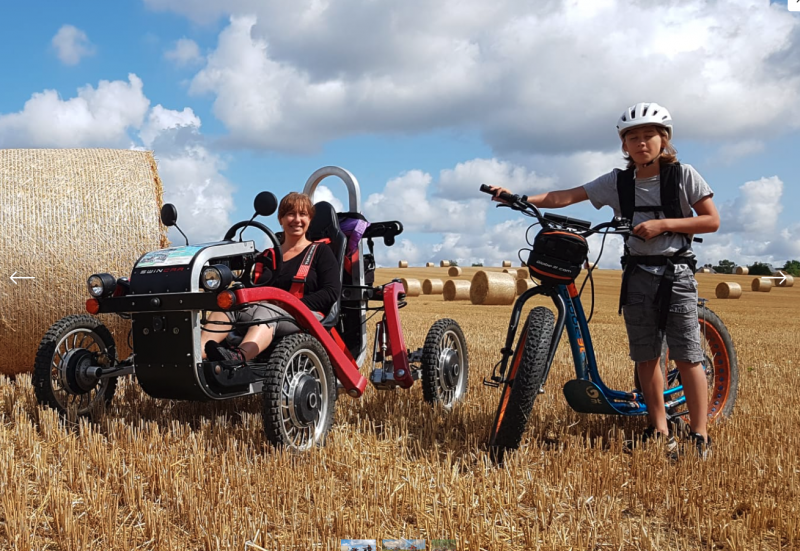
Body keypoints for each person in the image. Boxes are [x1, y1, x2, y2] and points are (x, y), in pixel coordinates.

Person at [489, 102, 719, 458]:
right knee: (646, 357)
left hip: (676, 273)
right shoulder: (617, 181)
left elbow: (710, 220)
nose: (641, 143)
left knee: (687, 356)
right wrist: (519, 198)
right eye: (633, 138)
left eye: (648, 136)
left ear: (664, 140)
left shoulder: (684, 175)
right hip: (638, 274)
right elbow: (566, 196)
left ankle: (699, 435)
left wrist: (664, 225)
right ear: (624, 145)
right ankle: (658, 429)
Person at [200, 192, 341, 362]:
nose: (297, 219)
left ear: (310, 220)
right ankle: (198, 355)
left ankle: (238, 357)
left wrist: (293, 305)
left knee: (267, 311)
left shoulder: (320, 252)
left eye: (302, 214)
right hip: (267, 311)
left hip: (306, 315)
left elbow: (331, 292)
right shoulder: (268, 255)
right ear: (281, 219)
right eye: (290, 214)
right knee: (229, 304)